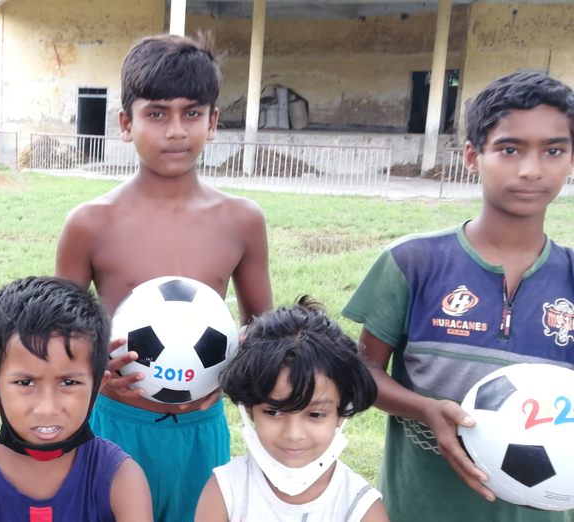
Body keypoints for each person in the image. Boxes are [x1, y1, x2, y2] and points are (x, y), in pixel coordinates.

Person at [55, 33, 272, 521]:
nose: (175, 130)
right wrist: (98, 381)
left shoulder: (241, 221)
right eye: (156, 113)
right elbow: (60, 340)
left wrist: (235, 368)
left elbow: (265, 332)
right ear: (125, 124)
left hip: (202, 431)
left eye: (191, 113)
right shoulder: (90, 224)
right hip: (115, 426)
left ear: (212, 122)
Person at [342, 71, 574, 521]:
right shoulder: (412, 263)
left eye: (553, 151)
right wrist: (424, 409)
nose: (531, 169)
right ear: (472, 156)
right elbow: (362, 373)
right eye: (510, 149)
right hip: (418, 508)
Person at [0, 276, 153, 521]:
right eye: (25, 383)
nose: (47, 408)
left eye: (68, 383)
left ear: (97, 387)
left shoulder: (121, 478)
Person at [195, 297, 388, 522]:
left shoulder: (360, 508)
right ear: (249, 409)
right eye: (274, 412)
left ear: (341, 412)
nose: (293, 434)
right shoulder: (226, 492)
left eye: (316, 414)